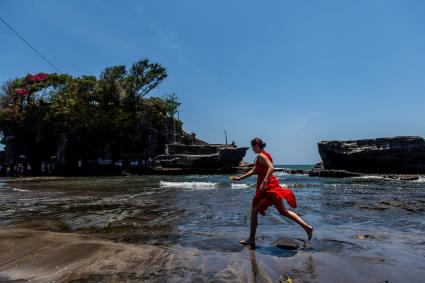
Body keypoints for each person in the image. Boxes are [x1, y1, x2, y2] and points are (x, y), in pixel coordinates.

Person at [231, 138, 313, 246]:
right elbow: (253, 171)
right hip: (271, 185)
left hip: (266, 188)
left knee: (254, 212)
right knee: (283, 212)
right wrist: (239, 178)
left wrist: (264, 181)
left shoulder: (261, 156)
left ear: (256, 145)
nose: (252, 149)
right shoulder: (265, 155)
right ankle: (307, 227)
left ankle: (251, 239)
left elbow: (271, 168)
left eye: (252, 146)